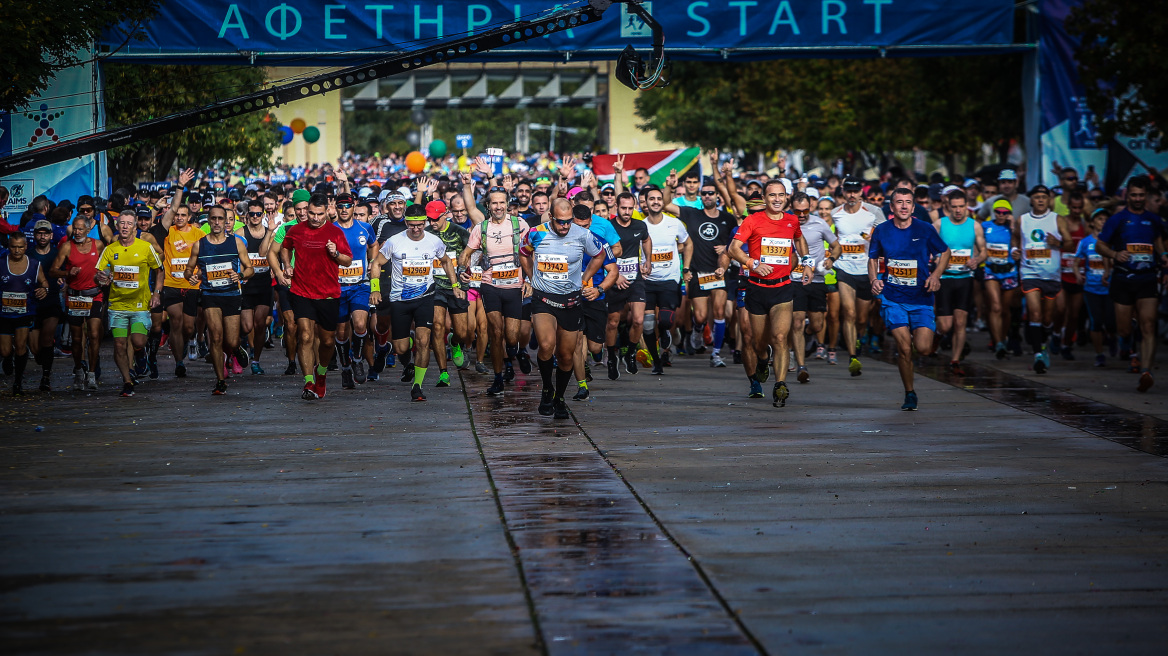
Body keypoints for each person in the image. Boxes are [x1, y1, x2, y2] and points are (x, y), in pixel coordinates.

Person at [520, 199, 609, 418]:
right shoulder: (536, 233)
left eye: (568, 222)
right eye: (561, 222)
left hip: (570, 301)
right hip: (543, 299)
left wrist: (585, 278)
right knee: (547, 345)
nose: (565, 227)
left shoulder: (582, 234)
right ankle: (546, 388)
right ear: (551, 217)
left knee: (566, 356)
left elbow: (600, 255)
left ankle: (559, 397)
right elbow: (523, 253)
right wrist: (532, 278)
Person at [728, 180, 814, 406]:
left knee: (779, 338)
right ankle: (763, 360)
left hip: (783, 288)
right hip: (756, 288)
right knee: (759, 343)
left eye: (781, 195)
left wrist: (807, 263)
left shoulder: (792, 220)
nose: (777, 199)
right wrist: (751, 263)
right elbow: (733, 249)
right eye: (772, 195)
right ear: (765, 198)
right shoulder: (752, 220)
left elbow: (799, 239)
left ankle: (780, 385)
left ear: (787, 197)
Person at [867, 187, 950, 410]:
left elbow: (945, 252)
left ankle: (936, 335)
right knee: (904, 348)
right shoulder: (882, 230)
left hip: (921, 296)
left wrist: (935, 275)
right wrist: (874, 280)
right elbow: (873, 258)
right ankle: (910, 393)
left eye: (908, 202)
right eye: (899, 202)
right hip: (893, 297)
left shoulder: (925, 229)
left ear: (913, 207)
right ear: (891, 207)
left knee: (922, 348)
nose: (903, 206)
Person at [369, 203, 462, 401]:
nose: (417, 229)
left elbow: (445, 261)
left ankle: (417, 386)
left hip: (425, 298)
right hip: (400, 300)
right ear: (406, 222)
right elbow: (377, 263)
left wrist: (455, 285)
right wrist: (375, 288)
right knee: (401, 348)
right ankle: (407, 343)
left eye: (420, 225)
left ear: (425, 222)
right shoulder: (395, 241)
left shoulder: (434, 241)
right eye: (412, 225)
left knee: (423, 342)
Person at [270, 193, 353, 400]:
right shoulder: (296, 230)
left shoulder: (335, 232)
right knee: (305, 335)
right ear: (307, 212)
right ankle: (308, 381)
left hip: (328, 294)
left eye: (320, 214)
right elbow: (285, 248)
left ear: (327, 212)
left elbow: (348, 261)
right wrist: (287, 266)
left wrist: (335, 254)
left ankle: (321, 374)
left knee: (326, 341)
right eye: (312, 214)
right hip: (302, 291)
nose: (315, 218)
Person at [1094, 175, 1167, 391]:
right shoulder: (1118, 219)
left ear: (1146, 196)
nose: (1137, 199)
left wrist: (1164, 256)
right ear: (1127, 195)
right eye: (1133, 195)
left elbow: (1159, 243)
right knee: (1124, 330)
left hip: (1147, 279)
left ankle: (1146, 371)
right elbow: (1100, 245)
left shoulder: (1153, 220)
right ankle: (1129, 338)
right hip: (1123, 279)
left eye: (1141, 195)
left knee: (1149, 325)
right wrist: (1115, 254)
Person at [460, 188, 530, 396]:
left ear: (507, 204)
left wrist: (530, 280)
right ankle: (498, 377)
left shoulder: (520, 225)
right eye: (494, 203)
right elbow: (466, 254)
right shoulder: (481, 228)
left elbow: (532, 252)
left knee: (511, 336)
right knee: (496, 332)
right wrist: (462, 271)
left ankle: (514, 355)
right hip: (490, 285)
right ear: (488, 206)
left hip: (515, 287)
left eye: (501, 203)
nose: (498, 207)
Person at [664, 168, 737, 368]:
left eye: (710, 193)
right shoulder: (692, 214)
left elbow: (738, 239)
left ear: (717, 196)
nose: (706, 196)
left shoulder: (727, 218)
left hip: (719, 271)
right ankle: (697, 329)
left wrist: (728, 247)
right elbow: (666, 204)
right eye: (703, 193)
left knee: (720, 311)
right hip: (697, 272)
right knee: (700, 316)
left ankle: (715, 354)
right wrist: (670, 186)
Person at [185, 205, 254, 394]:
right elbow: (189, 269)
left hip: (231, 295)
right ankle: (220, 380)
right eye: (213, 219)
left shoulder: (236, 243)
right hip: (210, 295)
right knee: (215, 337)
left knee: (231, 342)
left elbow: (250, 268)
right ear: (208, 220)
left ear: (226, 221)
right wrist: (190, 276)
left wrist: (239, 275)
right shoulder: (200, 244)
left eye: (220, 219)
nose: (216, 223)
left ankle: (238, 348)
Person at [94, 213, 164, 398]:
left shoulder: (145, 247)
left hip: (140, 306)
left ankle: (141, 353)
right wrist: (101, 278)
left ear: (135, 228)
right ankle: (127, 381)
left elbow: (159, 271)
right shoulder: (110, 250)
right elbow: (100, 273)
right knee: (119, 344)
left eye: (129, 224)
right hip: (117, 306)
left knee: (138, 341)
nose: (125, 227)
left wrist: (157, 293)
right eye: (122, 223)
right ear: (116, 226)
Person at [1015, 185, 1073, 374]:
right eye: (1037, 197)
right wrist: (1013, 250)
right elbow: (1015, 239)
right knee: (1036, 314)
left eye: (1044, 197)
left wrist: (1059, 243)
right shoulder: (1022, 220)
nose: (1040, 200)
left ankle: (1045, 340)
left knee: (1048, 318)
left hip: (1052, 275)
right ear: (1031, 200)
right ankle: (1038, 354)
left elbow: (1070, 242)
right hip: (1029, 273)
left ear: (1049, 200)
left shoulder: (1057, 219)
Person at [832, 178, 884, 377]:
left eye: (855, 191)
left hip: (867, 270)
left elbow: (887, 233)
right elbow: (832, 237)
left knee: (862, 319)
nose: (852, 195)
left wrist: (875, 238)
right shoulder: (836, 213)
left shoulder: (874, 212)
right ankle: (853, 357)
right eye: (848, 191)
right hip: (844, 268)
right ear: (843, 192)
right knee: (849, 313)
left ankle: (858, 338)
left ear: (861, 192)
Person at [567, 202, 619, 399]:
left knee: (595, 346)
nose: (582, 231)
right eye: (577, 227)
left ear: (591, 222)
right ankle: (582, 386)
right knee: (577, 342)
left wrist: (599, 290)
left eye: (586, 227)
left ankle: (598, 354)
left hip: (595, 297)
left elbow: (614, 271)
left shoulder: (600, 242)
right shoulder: (562, 241)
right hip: (572, 298)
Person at [788, 193, 840, 384]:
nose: (801, 215)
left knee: (817, 325)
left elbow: (837, 246)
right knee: (797, 322)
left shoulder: (820, 224)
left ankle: (807, 339)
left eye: (805, 211)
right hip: (794, 279)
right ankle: (801, 366)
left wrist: (831, 260)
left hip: (817, 279)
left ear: (811, 207)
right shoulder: (786, 223)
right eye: (797, 211)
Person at [640, 186, 692, 375]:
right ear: (645, 202)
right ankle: (657, 362)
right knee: (646, 325)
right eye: (651, 199)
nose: (655, 202)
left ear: (663, 202)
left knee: (664, 320)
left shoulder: (674, 223)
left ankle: (664, 332)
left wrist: (685, 268)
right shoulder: (641, 226)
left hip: (670, 279)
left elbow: (688, 243)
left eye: (658, 199)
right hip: (647, 281)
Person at [933, 190, 986, 375]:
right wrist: (934, 258)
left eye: (961, 207)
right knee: (945, 325)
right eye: (954, 207)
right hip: (945, 279)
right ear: (948, 206)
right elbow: (927, 246)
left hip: (965, 279)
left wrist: (977, 260)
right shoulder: (940, 224)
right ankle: (938, 336)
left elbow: (984, 251)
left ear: (967, 207)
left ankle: (955, 361)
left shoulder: (975, 226)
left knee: (960, 322)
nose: (958, 210)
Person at [49, 216, 105, 390]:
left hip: (95, 295)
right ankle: (79, 369)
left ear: (88, 230)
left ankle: (92, 374)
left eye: (81, 229)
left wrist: (106, 276)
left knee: (94, 334)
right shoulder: (67, 246)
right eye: (75, 228)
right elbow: (52, 271)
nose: (77, 232)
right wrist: (67, 273)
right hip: (74, 297)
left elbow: (108, 265)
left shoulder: (98, 245)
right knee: (77, 338)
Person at [424, 199, 472, 387]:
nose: (432, 223)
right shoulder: (426, 234)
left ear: (446, 215)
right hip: (435, 287)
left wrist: (465, 271)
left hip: (457, 287)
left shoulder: (459, 232)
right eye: (429, 219)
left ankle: (455, 342)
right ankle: (443, 372)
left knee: (462, 332)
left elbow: (472, 254)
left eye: (436, 219)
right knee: (437, 326)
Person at [604, 192, 653, 377]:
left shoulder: (640, 225)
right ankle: (611, 357)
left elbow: (646, 239)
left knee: (639, 319)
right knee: (613, 323)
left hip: (635, 279)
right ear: (616, 207)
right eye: (623, 208)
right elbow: (602, 252)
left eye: (630, 208)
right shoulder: (609, 226)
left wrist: (648, 260)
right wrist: (614, 275)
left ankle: (631, 353)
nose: (627, 212)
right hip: (614, 280)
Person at [331, 192, 375, 390]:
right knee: (341, 333)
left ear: (353, 206)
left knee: (359, 324)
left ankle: (357, 358)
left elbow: (373, 245)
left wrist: (372, 262)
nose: (344, 209)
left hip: (360, 285)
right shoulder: (330, 230)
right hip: (337, 287)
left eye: (347, 206)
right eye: (340, 206)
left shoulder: (365, 227)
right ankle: (345, 367)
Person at [0, 233, 49, 395]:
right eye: (13, 247)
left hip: (25, 312)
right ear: (9, 247)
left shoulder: (34, 264)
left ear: (26, 247)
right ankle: (8, 358)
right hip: (4, 314)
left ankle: (18, 382)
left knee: (21, 346)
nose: (17, 250)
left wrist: (44, 289)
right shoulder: (1, 263)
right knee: (5, 350)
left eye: (20, 247)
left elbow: (44, 282)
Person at [236, 199, 273, 374]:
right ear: (247, 215)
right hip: (246, 285)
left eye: (259, 214)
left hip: (264, 284)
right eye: (252, 214)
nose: (256, 217)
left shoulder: (270, 233)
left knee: (260, 325)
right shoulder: (240, 233)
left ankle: (256, 360)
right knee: (246, 327)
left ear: (263, 215)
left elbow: (268, 254)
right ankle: (238, 345)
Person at [1074, 209, 1115, 367]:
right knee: (1096, 322)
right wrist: (1078, 275)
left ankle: (1112, 338)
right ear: (1092, 222)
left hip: (1110, 288)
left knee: (1111, 323)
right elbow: (1076, 262)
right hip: (1091, 288)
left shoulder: (1114, 241)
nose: (1102, 221)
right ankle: (1099, 354)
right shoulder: (1085, 242)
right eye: (1099, 218)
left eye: (1105, 218)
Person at [983, 199, 1020, 359]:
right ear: (994, 212)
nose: (1001, 215)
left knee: (1005, 310)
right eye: (998, 212)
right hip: (991, 271)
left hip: (1009, 272)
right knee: (996, 307)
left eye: (1005, 212)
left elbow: (1017, 244)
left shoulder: (1013, 229)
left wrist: (1012, 227)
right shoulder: (986, 226)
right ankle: (998, 343)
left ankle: (1003, 338)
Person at [27, 220, 62, 391]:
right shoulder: (28, 255)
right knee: (35, 349)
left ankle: (45, 377)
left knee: (47, 338)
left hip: (52, 301)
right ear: (34, 235)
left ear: (51, 235)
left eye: (45, 233)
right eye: (39, 233)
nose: (42, 236)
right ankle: (43, 362)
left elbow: (64, 274)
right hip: (33, 302)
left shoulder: (57, 254)